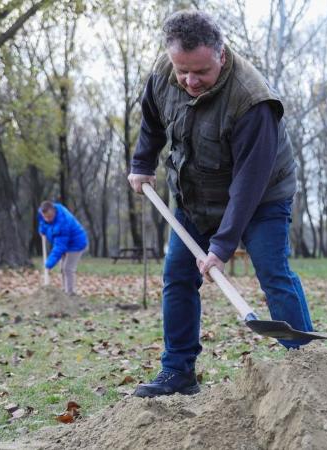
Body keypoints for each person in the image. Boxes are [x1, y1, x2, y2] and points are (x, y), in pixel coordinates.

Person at [127, 10, 314, 398]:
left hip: (261, 196)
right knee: (178, 276)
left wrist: (222, 247)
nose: (190, 81)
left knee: (273, 273)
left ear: (221, 55)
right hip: (195, 193)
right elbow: (151, 118)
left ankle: (309, 369)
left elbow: (248, 184)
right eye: (183, 72)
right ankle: (178, 371)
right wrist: (142, 164)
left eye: (200, 72)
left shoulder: (252, 100)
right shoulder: (166, 71)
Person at [38, 201, 88, 295]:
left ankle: (70, 293)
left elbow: (59, 247)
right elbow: (43, 222)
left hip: (76, 244)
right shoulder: (43, 214)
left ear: (54, 212)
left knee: (68, 268)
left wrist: (48, 264)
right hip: (66, 242)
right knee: (62, 268)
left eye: (49, 217)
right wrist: (42, 229)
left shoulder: (63, 223)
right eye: (45, 217)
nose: (47, 219)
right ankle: (65, 290)